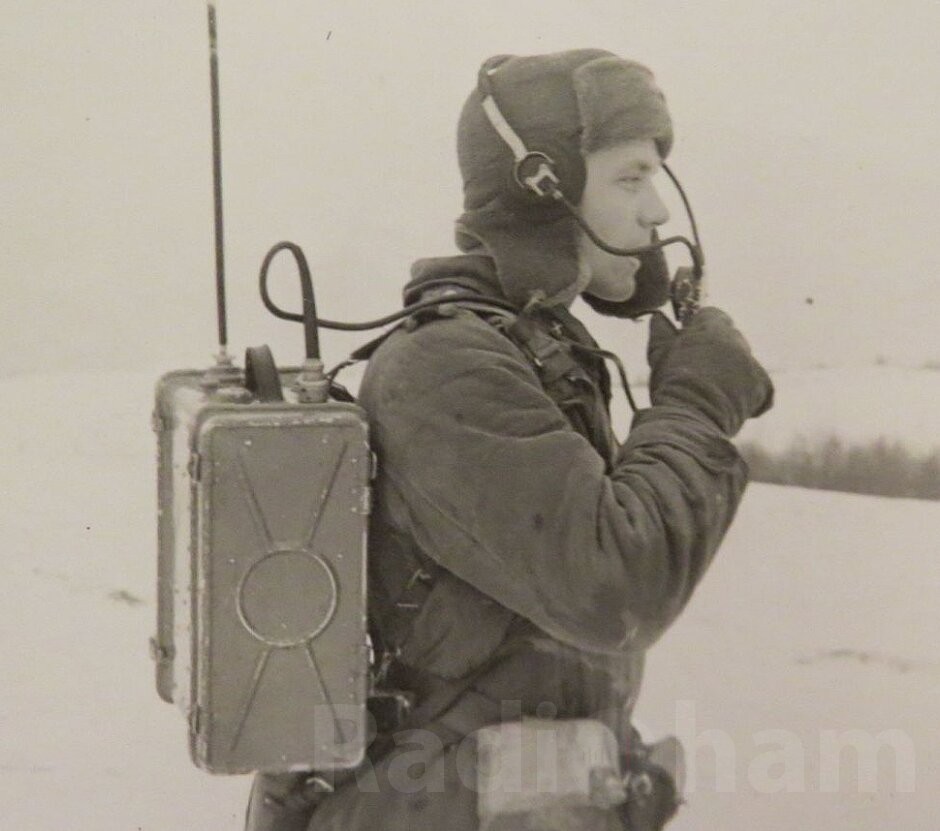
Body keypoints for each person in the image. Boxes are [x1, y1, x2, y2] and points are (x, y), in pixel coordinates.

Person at [246, 48, 773, 831]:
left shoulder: (537, 355)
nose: (658, 211)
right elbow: (614, 587)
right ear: (541, 187)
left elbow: (521, 640)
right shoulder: (448, 367)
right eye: (630, 177)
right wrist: (695, 403)